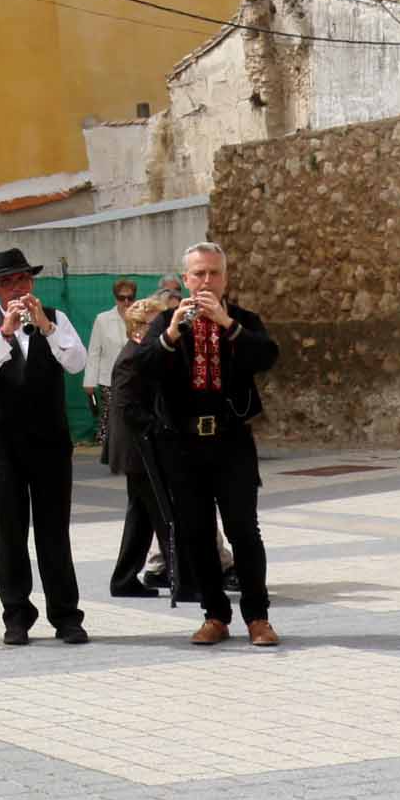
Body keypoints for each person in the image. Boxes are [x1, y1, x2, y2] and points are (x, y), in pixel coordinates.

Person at [129, 244, 280, 646]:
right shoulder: (166, 321)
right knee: (195, 533)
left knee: (244, 530)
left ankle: (258, 617)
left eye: (213, 273)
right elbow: (140, 369)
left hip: (231, 441)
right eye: (198, 274)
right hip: (183, 444)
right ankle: (215, 613)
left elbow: (267, 356)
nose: (206, 281)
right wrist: (172, 333)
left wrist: (227, 324)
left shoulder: (243, 320)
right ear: (185, 279)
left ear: (226, 279)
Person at [0, 246, 88, 646]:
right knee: (9, 531)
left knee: (54, 530)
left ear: (32, 282)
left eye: (21, 280)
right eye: (7, 282)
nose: (16, 288)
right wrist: (6, 333)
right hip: (2, 445)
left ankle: (66, 615)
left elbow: (77, 362)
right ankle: (16, 616)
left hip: (50, 440)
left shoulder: (56, 319)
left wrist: (46, 329)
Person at [103, 280, 169, 599]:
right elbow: (126, 405)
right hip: (138, 449)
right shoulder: (132, 356)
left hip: (141, 447)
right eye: (158, 324)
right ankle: (185, 577)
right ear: (140, 328)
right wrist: (159, 425)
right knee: (162, 512)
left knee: (142, 517)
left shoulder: (142, 353)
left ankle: (124, 579)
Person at [85, 277, 141, 450]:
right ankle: (110, 449)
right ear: (115, 297)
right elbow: (94, 351)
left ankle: (132, 448)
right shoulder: (102, 319)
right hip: (109, 378)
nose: (126, 301)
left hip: (136, 377)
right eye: (121, 297)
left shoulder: (141, 318)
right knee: (112, 414)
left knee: (133, 414)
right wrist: (89, 382)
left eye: (130, 297)